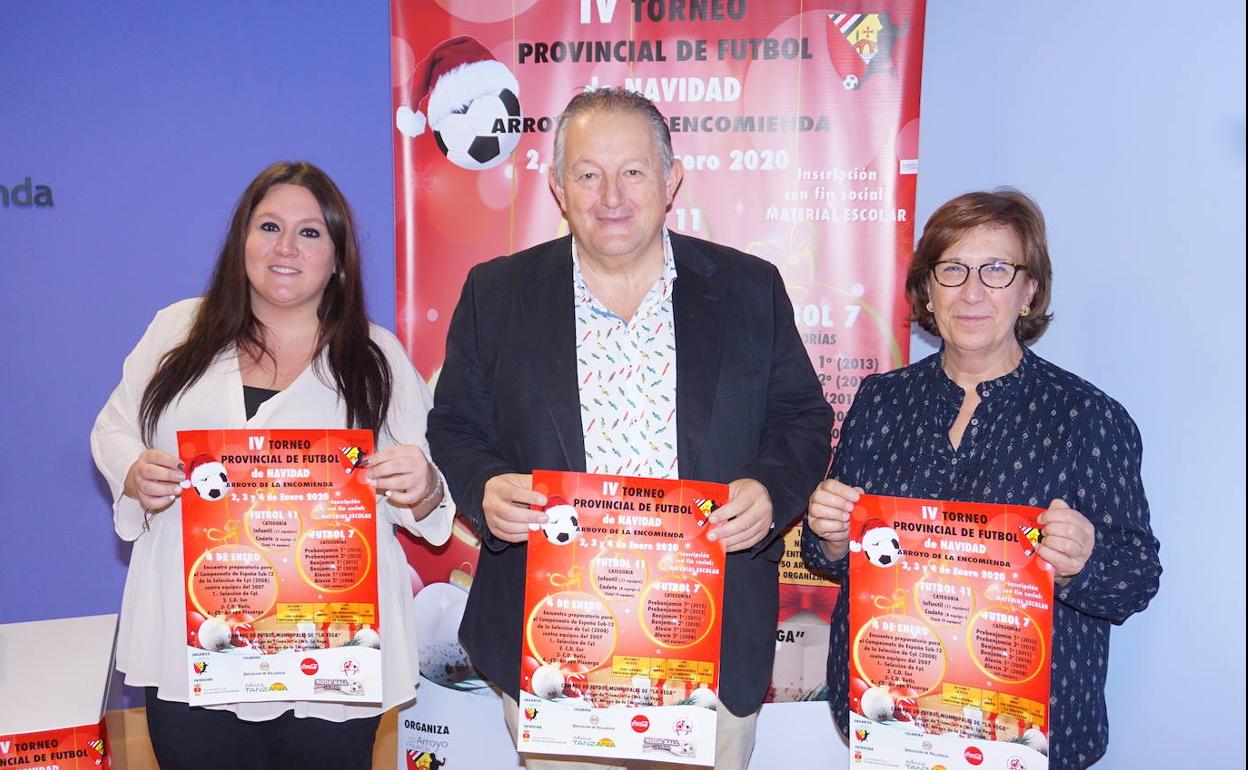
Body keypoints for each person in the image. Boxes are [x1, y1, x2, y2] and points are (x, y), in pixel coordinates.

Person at [427, 87, 833, 770]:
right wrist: (484, 486)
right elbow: (455, 425)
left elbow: (802, 419)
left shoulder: (748, 289)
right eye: (588, 173)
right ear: (557, 187)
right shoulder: (496, 294)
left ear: (671, 179)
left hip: (707, 642)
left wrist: (768, 493)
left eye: (633, 171)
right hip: (551, 644)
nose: (610, 195)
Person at [90, 161, 452, 770]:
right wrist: (134, 473)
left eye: (310, 233)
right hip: (195, 635)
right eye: (269, 227)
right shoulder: (177, 330)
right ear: (241, 243)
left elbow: (427, 494)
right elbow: (113, 429)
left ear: (337, 257)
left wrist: (423, 483)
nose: (286, 247)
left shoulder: (376, 356)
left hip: (328, 648)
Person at [802, 189, 1161, 769]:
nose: (972, 292)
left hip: (1031, 732)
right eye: (952, 270)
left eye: (996, 270)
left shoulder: (1088, 418)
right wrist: (830, 536)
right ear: (927, 289)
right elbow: (833, 557)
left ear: (1030, 291)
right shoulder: (880, 402)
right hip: (896, 723)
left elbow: (1136, 579)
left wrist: (1085, 559)